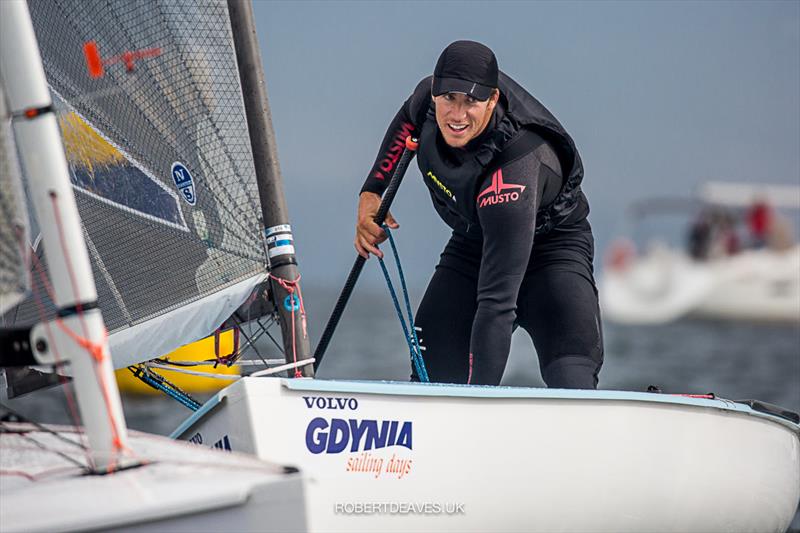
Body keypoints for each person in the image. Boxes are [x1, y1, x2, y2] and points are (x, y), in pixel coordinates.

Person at [355, 41, 603, 389]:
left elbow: (495, 308)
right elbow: (405, 123)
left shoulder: (515, 166)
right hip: (475, 243)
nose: (457, 115)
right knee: (433, 367)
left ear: (492, 99)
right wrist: (371, 196)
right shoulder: (426, 96)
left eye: (471, 101)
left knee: (572, 376)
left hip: (552, 251)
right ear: (435, 93)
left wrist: (476, 410)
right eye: (449, 99)